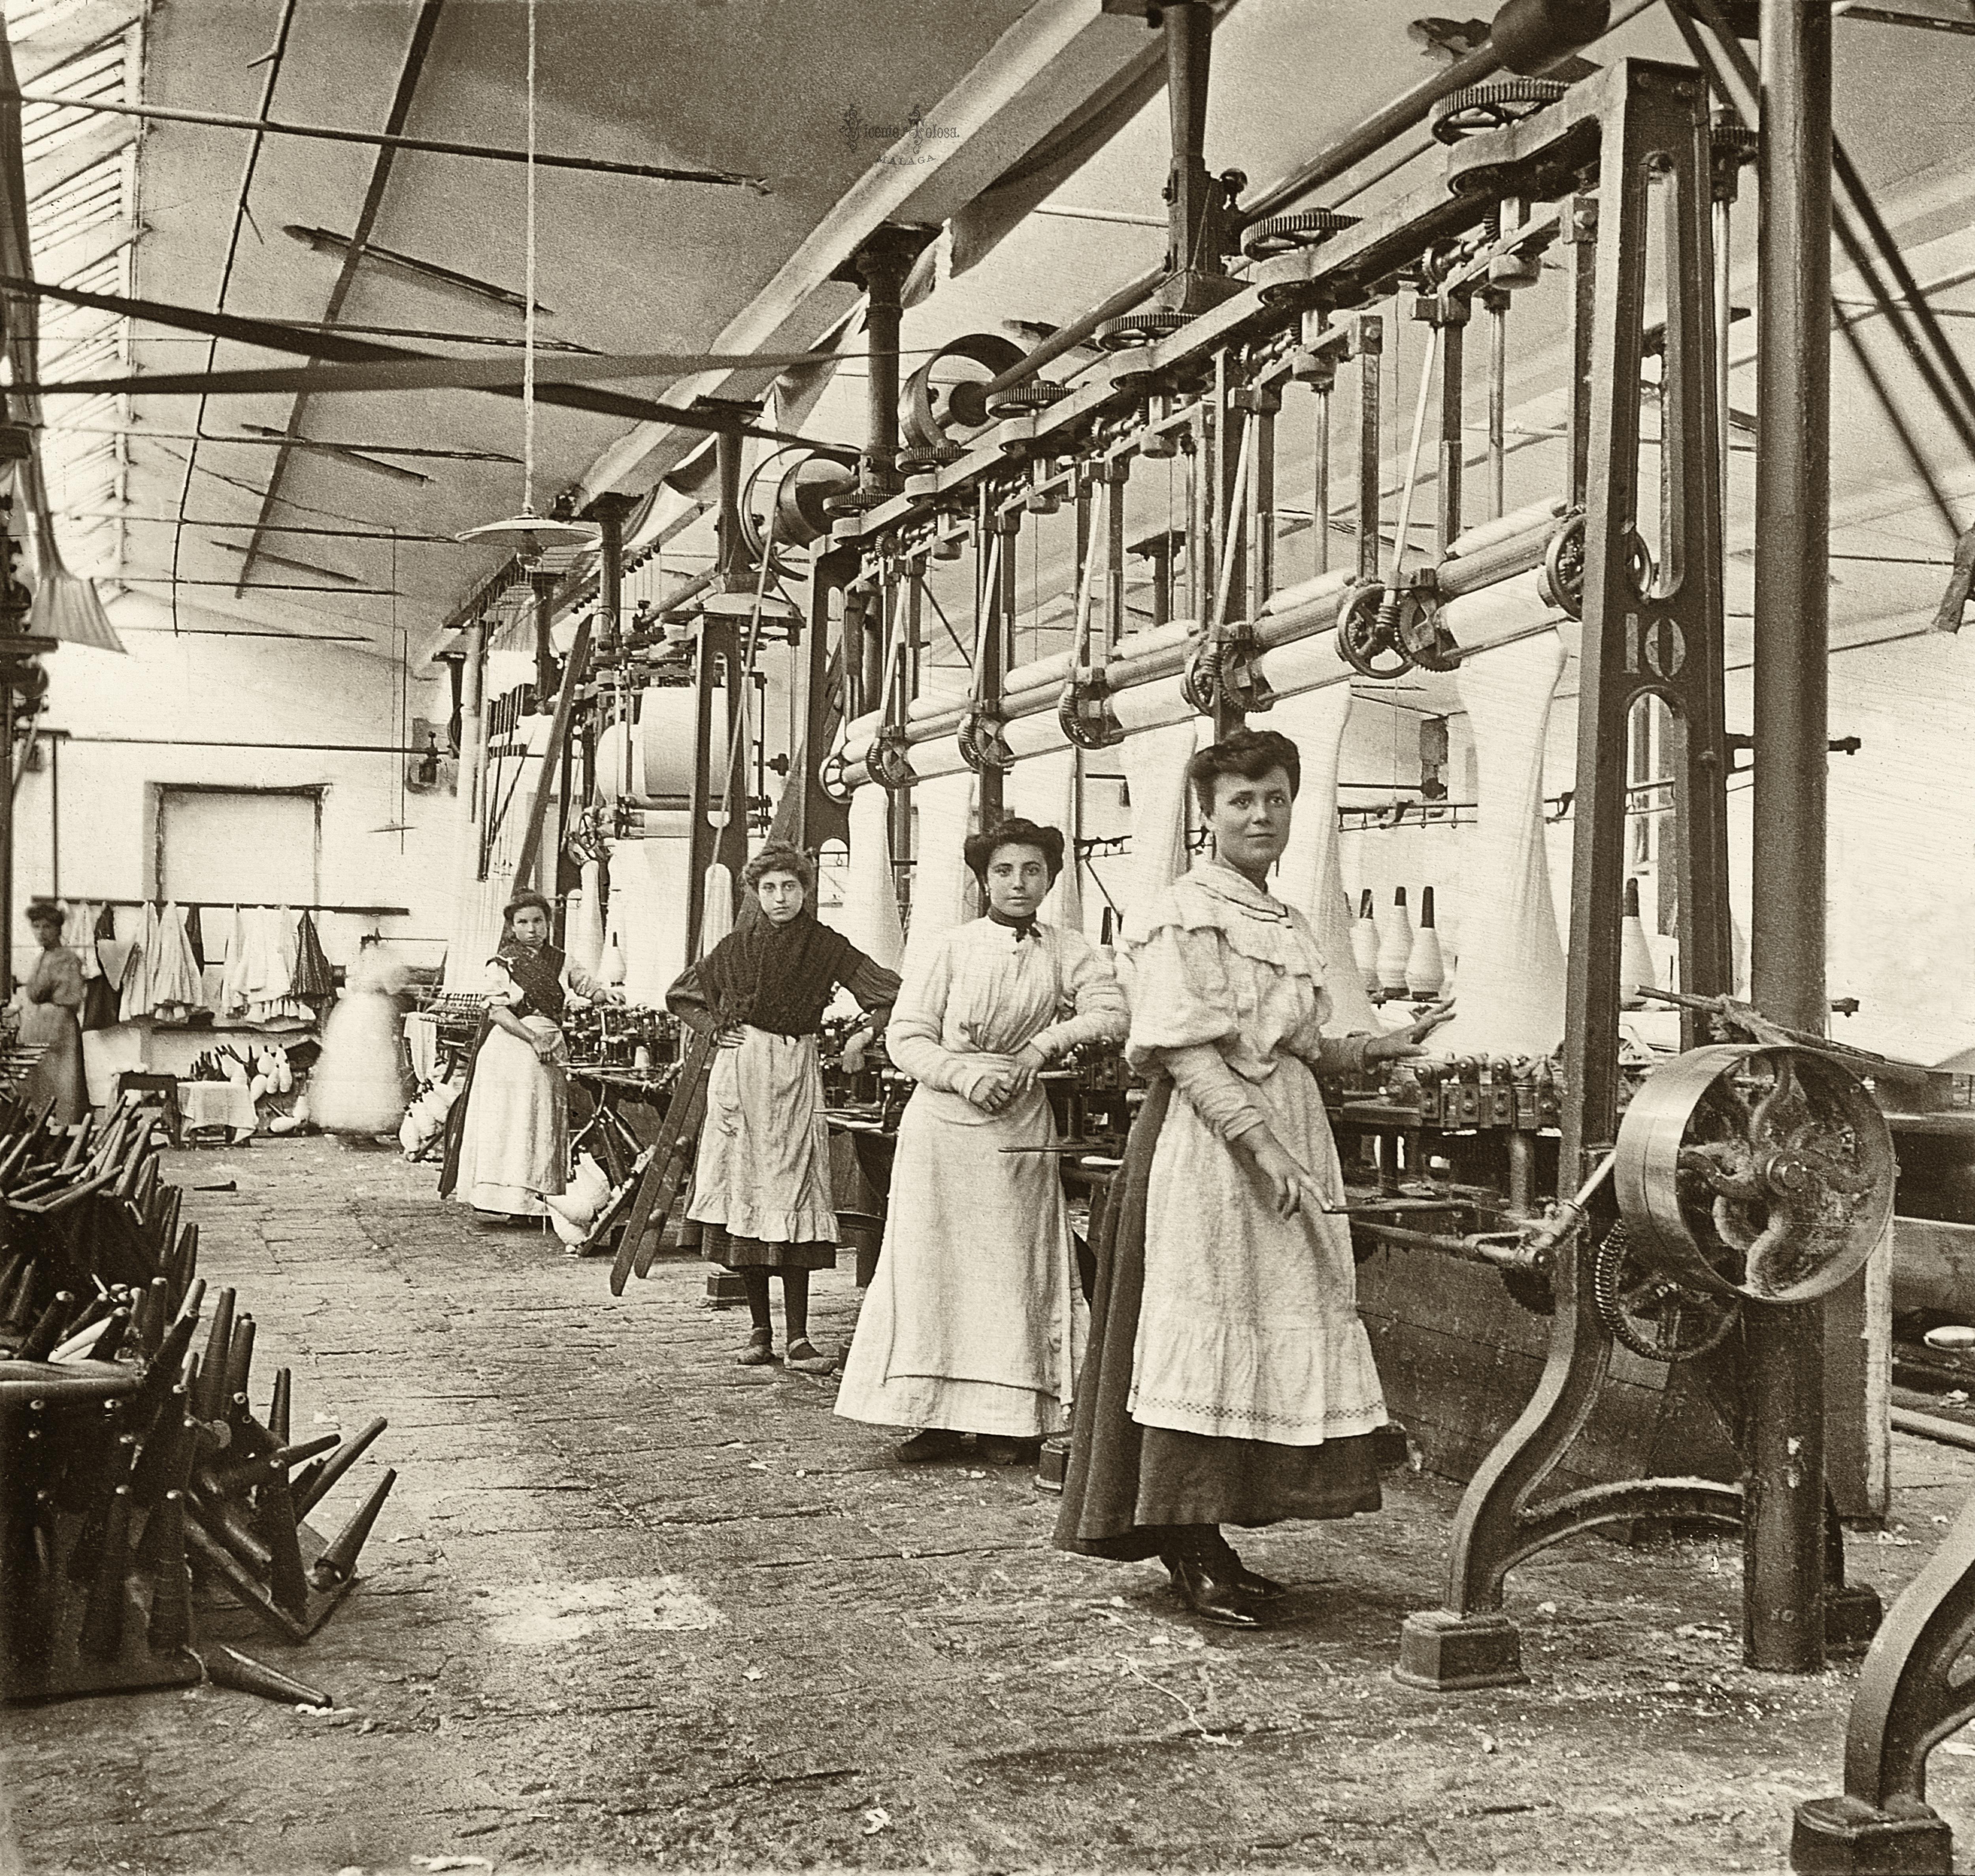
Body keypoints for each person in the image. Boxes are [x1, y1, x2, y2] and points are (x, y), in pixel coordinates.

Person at [1053, 728, 1449, 1627]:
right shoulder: (1182, 913)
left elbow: (1302, 1044)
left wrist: (1378, 1045)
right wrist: (1261, 1145)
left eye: (1274, 797)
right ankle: (1186, 1544)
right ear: (1208, 813)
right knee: (1200, 1325)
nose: (1260, 814)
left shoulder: (1289, 923)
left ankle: (1211, 1537)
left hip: (1284, 1136)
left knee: (1268, 1326)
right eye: (1240, 800)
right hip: (1207, 1147)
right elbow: (1187, 1051)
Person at [836, 817, 1128, 1465]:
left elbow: (1112, 1012)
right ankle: (934, 1419)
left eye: (1032, 870)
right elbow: (906, 1037)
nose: (1019, 883)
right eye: (1005, 871)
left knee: (1010, 1271)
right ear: (983, 880)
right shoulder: (949, 947)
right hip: (943, 1126)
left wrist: (1043, 1045)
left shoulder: (1066, 949)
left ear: (1050, 878)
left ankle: (1010, 1420)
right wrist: (965, 1075)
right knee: (934, 1271)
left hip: (1017, 1129)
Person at [667, 843, 899, 1374]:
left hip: (795, 1074)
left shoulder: (826, 945)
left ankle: (799, 1337)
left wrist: (863, 1035)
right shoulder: (732, 948)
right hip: (741, 1075)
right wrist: (714, 1029)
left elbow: (890, 992)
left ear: (805, 891)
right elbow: (682, 996)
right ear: (755, 892)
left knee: (792, 1196)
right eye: (769, 888)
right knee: (745, 1195)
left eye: (790, 887)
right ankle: (759, 1331)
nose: (780, 897)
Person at [441, 890, 619, 1220]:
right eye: (523, 923)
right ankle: (505, 1201)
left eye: (538, 921)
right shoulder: (503, 963)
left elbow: (587, 986)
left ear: (548, 924)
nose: (532, 929)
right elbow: (497, 1012)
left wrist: (605, 994)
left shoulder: (562, 960)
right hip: (511, 1049)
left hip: (550, 1049)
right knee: (510, 1121)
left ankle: (539, 1199)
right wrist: (533, 1038)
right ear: (512, 927)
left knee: (542, 1119)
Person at [18, 899, 86, 1125]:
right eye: (36, 927)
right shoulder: (42, 958)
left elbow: (69, 998)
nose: (41, 933)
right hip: (38, 1027)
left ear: (58, 929)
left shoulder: (67, 958)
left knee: (61, 1086)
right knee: (36, 1085)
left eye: (47, 927)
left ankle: (62, 1129)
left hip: (59, 1029)